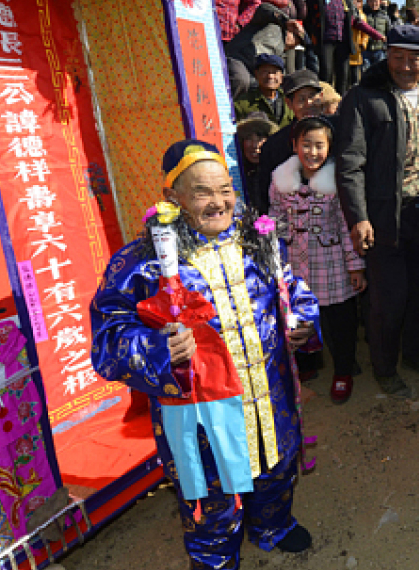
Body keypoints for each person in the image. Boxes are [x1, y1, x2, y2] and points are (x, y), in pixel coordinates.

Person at [90, 139, 320, 567]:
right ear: (172, 198)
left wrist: (302, 322)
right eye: (203, 192)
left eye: (226, 188)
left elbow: (293, 290)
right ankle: (216, 558)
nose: (219, 202)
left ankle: (273, 525)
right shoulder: (141, 263)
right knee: (213, 493)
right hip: (201, 411)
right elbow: (108, 338)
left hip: (270, 395)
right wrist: (158, 349)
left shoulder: (260, 242)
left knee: (276, 466)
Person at [335, 25, 419, 399]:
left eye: (413, 58)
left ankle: (416, 353)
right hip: (385, 219)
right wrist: (359, 217)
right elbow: (350, 163)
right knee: (389, 300)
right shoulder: (363, 98)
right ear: (387, 56)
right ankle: (385, 369)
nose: (404, 66)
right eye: (397, 56)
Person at [270, 117, 366, 404]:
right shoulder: (280, 181)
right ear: (294, 145)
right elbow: (276, 216)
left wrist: (355, 265)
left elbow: (347, 226)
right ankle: (308, 366)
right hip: (297, 264)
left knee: (341, 321)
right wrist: (274, 231)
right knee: (302, 318)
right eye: (306, 145)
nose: (312, 152)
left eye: (319, 146)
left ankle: (343, 371)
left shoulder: (337, 182)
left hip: (333, 263)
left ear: (330, 147)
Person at [254, 69, 327, 213]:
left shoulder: (340, 134)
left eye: (313, 96)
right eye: (301, 99)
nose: (309, 103)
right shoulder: (275, 145)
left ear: (322, 97)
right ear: (289, 103)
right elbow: (265, 194)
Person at [304, 0, 381, 94]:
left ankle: (341, 104)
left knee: (343, 75)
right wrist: (313, 37)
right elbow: (308, 19)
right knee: (326, 72)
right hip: (325, 41)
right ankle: (325, 101)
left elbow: (355, 20)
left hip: (343, 41)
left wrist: (375, 34)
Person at [233, 54, 294, 128]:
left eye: (274, 72)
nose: (270, 76)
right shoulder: (242, 104)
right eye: (265, 72)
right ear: (256, 75)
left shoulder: (291, 101)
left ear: (281, 77)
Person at [235, 112, 277, 209]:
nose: (255, 145)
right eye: (249, 138)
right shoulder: (236, 174)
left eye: (260, 138)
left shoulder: (279, 172)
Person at [364, 0, 391, 68]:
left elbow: (389, 32)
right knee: (366, 74)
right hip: (365, 50)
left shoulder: (384, 16)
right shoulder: (363, 15)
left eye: (376, 1)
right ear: (367, 2)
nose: (374, 3)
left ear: (380, 1)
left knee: (380, 74)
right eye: (371, 1)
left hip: (380, 50)